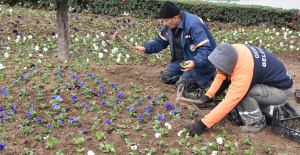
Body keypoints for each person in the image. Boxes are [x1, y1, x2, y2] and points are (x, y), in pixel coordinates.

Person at [187, 43, 300, 135]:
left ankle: (256, 122)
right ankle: (278, 109)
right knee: (241, 93)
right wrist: (209, 95)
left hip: (281, 91)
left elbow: (230, 100)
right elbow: (222, 74)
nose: (216, 70)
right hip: (271, 85)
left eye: (218, 67)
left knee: (245, 94)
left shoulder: (244, 70)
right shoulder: (234, 51)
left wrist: (203, 123)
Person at [134, 1, 216, 95]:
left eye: (165, 20)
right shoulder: (170, 25)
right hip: (184, 61)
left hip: (201, 64)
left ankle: (207, 79)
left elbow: (206, 50)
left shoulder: (193, 24)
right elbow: (160, 42)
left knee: (182, 86)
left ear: (175, 18)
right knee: (165, 76)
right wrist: (145, 48)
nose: (164, 23)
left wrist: (194, 62)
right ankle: (186, 78)